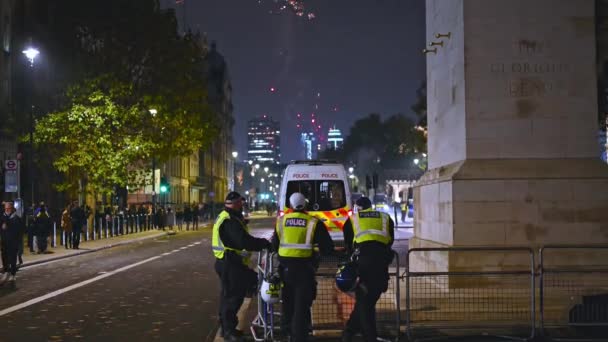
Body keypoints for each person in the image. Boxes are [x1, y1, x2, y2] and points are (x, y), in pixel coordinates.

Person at [271, 192, 334, 342]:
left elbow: (274, 246)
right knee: (301, 305)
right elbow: (327, 247)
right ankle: (298, 336)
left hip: (285, 270)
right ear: (305, 204)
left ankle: (286, 333)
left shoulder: (281, 221)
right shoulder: (313, 222)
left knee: (288, 302)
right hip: (305, 270)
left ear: (291, 206)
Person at [212, 192, 271, 341]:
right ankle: (228, 331)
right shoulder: (230, 220)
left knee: (230, 295)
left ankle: (227, 327)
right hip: (230, 263)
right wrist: (263, 243)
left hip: (229, 263)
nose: (242, 205)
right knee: (233, 298)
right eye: (241, 203)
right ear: (236, 203)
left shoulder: (228, 217)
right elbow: (242, 241)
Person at [341, 197, 395, 342]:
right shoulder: (385, 217)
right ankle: (354, 333)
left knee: (364, 302)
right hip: (381, 264)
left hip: (362, 266)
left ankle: (355, 333)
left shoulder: (353, 219)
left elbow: (348, 244)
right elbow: (390, 240)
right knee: (367, 301)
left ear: (358, 208)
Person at [0, 202, 25, 285]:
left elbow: (19, 230)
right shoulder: (2, 216)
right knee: (4, 257)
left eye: (8, 208)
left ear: (11, 208)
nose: (7, 210)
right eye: (5, 208)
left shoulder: (15, 218)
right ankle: (6, 271)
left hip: (13, 242)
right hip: (4, 241)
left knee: (12, 258)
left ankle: (13, 274)